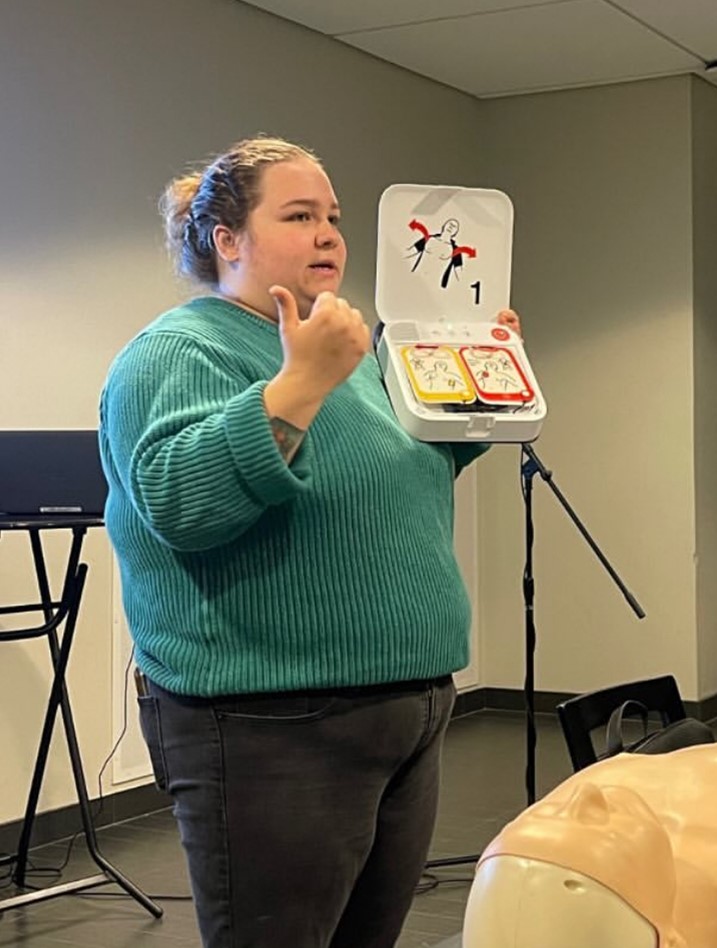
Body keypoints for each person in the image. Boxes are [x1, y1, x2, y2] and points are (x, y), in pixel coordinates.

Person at [98, 135, 521, 948]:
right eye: (299, 215)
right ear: (228, 240)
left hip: (407, 706)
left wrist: (476, 384)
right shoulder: (177, 352)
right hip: (272, 723)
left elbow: (399, 473)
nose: (329, 233)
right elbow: (181, 504)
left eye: (332, 216)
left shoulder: (346, 351)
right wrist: (300, 382)